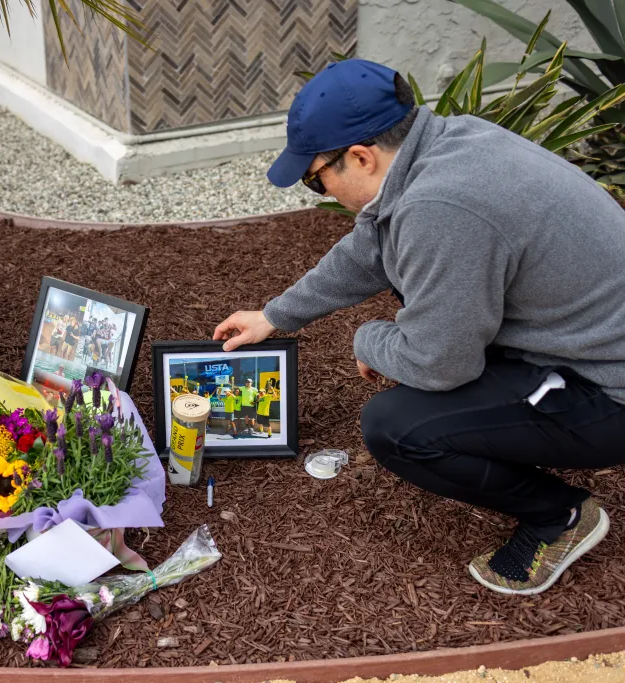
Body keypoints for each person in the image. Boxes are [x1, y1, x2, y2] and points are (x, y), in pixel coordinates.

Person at [214, 59, 625, 596]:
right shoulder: (450, 142)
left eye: (316, 182)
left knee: (396, 425)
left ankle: (561, 516)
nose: (320, 192)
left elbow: (439, 363)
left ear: (360, 157)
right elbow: (372, 246)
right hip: (590, 341)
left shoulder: (441, 206)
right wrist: (275, 315)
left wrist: (372, 339)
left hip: (611, 391)